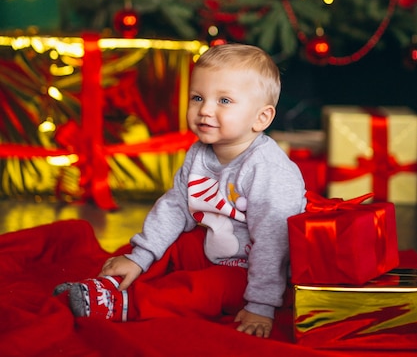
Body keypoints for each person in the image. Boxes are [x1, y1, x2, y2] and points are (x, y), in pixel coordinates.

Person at [54, 43, 306, 338]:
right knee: (171, 245)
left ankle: (128, 304)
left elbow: (273, 244)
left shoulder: (269, 170)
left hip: (253, 272)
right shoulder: (200, 153)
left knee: (203, 289)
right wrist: (141, 255)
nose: (205, 110)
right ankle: (116, 280)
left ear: (261, 118)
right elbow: (176, 206)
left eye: (224, 100)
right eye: (197, 97)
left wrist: (261, 305)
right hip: (213, 247)